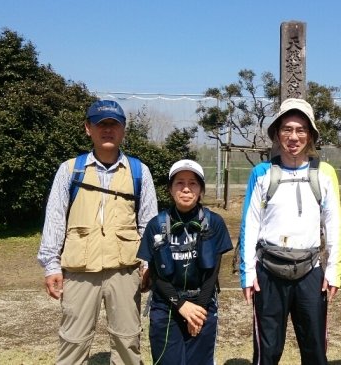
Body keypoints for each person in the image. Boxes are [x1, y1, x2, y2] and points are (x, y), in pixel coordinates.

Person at [37, 99, 158, 365]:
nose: (107, 130)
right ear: (87, 128)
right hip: (79, 270)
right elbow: (55, 220)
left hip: (124, 270)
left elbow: (148, 224)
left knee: (128, 340)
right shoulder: (70, 170)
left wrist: (149, 264)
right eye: (100, 124)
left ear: (123, 130)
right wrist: (51, 266)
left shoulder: (139, 172)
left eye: (113, 124)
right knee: (74, 341)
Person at [239, 98, 341, 365]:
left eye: (301, 130)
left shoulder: (324, 173)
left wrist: (333, 270)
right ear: (277, 133)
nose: (293, 137)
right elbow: (250, 223)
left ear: (310, 135)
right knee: (268, 350)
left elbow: (333, 223)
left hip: (310, 271)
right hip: (268, 272)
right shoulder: (262, 173)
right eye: (287, 129)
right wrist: (248, 272)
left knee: (314, 350)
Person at [137, 159, 233, 365]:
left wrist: (198, 309)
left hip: (202, 304)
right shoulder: (156, 225)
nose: (186, 189)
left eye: (193, 183)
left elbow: (213, 273)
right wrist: (181, 305)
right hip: (166, 306)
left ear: (201, 190)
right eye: (179, 183)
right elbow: (156, 275)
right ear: (170, 189)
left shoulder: (214, 222)